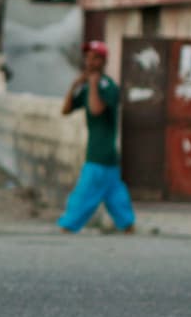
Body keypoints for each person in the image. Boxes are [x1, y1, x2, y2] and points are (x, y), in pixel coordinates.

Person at [56, 40, 136, 234]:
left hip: (101, 153)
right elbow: (66, 110)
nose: (89, 62)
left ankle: (68, 225)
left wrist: (92, 84)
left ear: (103, 61)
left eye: (94, 58)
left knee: (84, 193)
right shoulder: (85, 88)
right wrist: (75, 85)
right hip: (102, 153)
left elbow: (96, 109)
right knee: (114, 193)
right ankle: (127, 224)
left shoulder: (108, 86)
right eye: (88, 57)